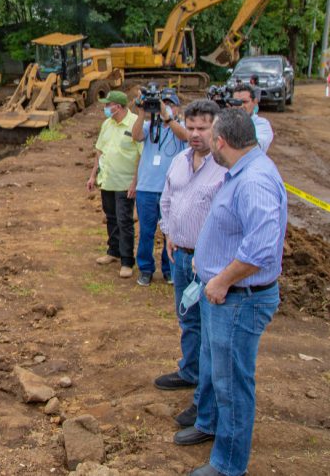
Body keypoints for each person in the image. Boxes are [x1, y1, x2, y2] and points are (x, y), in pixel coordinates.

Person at [173, 108, 286, 476]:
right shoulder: (242, 171)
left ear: (221, 142)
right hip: (223, 296)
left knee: (233, 384)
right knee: (214, 367)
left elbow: (262, 249)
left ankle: (227, 465)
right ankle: (208, 424)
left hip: (239, 299)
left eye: (210, 137)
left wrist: (221, 280)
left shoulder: (254, 180)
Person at [153, 100, 227, 428]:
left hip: (209, 264)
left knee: (212, 335)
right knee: (187, 319)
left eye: (202, 128)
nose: (195, 134)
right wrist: (169, 232)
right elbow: (167, 198)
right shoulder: (180, 160)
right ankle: (190, 371)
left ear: (217, 130)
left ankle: (204, 403)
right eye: (191, 126)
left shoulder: (225, 169)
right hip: (180, 254)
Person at [131, 87, 189, 286]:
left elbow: (185, 137)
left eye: (170, 104)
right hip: (147, 188)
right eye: (163, 104)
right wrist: (141, 112)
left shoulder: (180, 126)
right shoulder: (149, 125)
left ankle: (169, 269)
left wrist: (168, 118)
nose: (165, 107)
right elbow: (135, 136)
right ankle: (145, 269)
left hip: (171, 189)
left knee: (170, 232)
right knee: (146, 231)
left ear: (177, 108)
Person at [87, 90, 142, 278]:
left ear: (117, 107)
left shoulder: (136, 123)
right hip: (107, 180)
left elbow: (141, 156)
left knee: (124, 220)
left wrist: (135, 182)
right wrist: (93, 176)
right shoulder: (107, 124)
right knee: (110, 217)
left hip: (125, 182)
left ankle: (127, 261)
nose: (105, 108)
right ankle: (113, 251)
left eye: (107, 105)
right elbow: (100, 151)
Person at [231, 84, 273, 152]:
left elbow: (254, 149)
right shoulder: (225, 121)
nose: (240, 106)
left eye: (244, 102)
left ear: (255, 102)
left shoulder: (262, 124)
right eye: (236, 102)